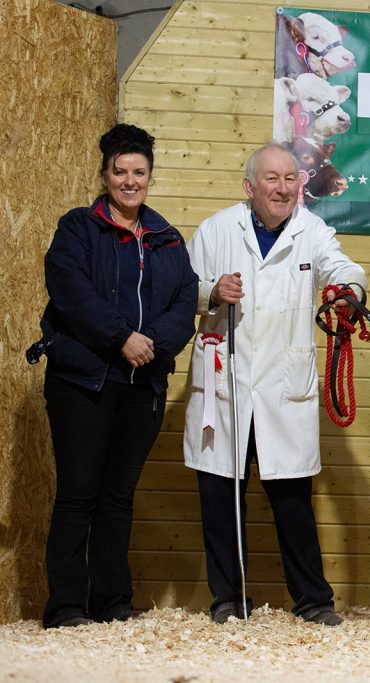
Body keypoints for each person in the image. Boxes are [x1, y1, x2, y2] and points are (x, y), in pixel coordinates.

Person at [183, 142, 366, 625]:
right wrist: (209, 292)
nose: (283, 188)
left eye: (291, 178)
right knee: (221, 495)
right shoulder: (216, 230)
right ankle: (228, 599)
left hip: (283, 388)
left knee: (292, 500)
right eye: (272, 178)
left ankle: (313, 602)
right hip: (225, 384)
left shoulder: (313, 231)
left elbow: (342, 267)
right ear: (250, 186)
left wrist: (349, 290)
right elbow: (179, 292)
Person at [38, 123, 198, 628]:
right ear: (105, 174)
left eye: (139, 173)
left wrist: (153, 345)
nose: (130, 181)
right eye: (120, 172)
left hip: (141, 386)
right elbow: (71, 293)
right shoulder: (77, 229)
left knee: (117, 497)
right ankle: (66, 605)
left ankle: (111, 603)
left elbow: (184, 300)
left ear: (150, 177)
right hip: (83, 383)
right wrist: (121, 337)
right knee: (78, 494)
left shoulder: (166, 238)